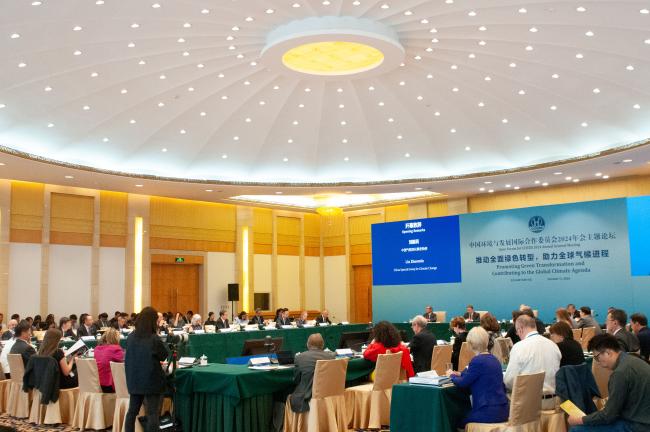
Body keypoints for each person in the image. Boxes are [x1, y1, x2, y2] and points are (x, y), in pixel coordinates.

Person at [568, 334, 650, 431]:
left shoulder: (620, 373)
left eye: (597, 357)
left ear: (608, 352)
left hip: (637, 425)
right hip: (643, 417)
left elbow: (608, 416)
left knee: (576, 429)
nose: (597, 362)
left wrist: (581, 420)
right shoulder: (633, 360)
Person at [448, 327, 509, 428]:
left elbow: (463, 383)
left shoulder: (477, 360)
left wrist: (451, 375)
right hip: (503, 410)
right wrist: (461, 374)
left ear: (471, 344)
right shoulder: (494, 359)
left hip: (487, 412)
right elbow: (479, 375)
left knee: (455, 421)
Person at [125, 307, 169, 432]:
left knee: (132, 412)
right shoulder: (153, 338)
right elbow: (164, 355)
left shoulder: (131, 337)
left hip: (134, 379)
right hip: (151, 380)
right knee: (152, 413)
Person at [504, 315, 561, 409]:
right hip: (553, 402)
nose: (517, 334)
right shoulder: (553, 345)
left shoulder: (519, 347)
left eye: (517, 331)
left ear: (521, 329)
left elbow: (509, 381)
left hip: (529, 406)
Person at [289, 333, 336, 413]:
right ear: (323, 345)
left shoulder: (299, 357)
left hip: (306, 396)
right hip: (327, 394)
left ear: (308, 344)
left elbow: (296, 380)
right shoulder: (331, 357)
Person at [94, 328, 124, 393]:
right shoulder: (116, 349)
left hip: (97, 383)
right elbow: (123, 363)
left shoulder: (96, 349)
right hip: (110, 385)